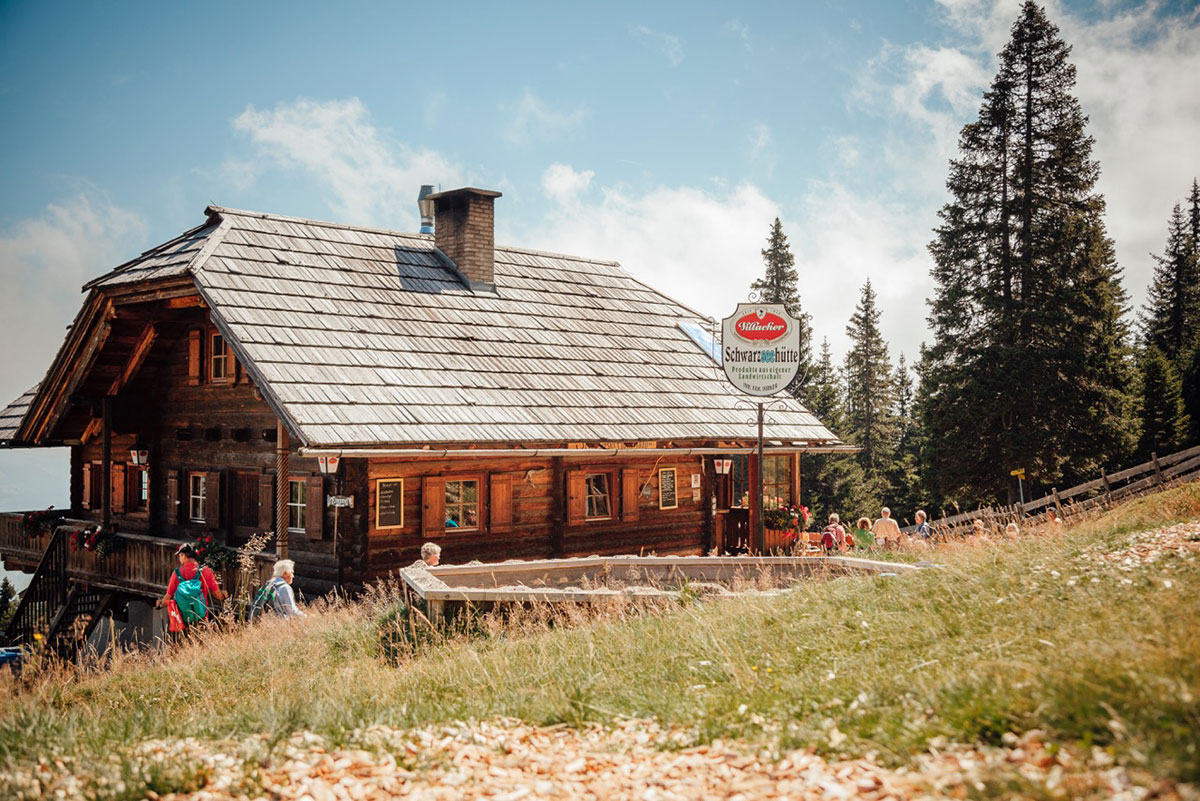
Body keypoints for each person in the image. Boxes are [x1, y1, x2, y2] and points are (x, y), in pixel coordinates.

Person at [157, 543, 226, 627]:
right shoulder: (206, 571)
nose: (179, 558)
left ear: (184, 555)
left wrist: (160, 604)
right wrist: (223, 594)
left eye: (179, 556)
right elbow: (217, 595)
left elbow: (168, 597)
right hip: (201, 618)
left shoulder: (176, 574)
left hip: (183, 620)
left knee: (183, 639)